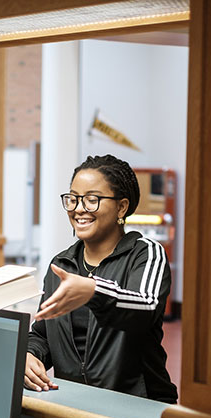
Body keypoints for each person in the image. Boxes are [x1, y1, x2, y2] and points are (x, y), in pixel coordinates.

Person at [25, 154, 177, 403]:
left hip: (139, 405)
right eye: (73, 199)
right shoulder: (61, 264)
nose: (79, 209)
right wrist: (30, 355)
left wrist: (94, 290)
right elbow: (43, 333)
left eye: (92, 199)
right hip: (76, 404)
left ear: (122, 207)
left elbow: (145, 307)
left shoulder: (146, 253)